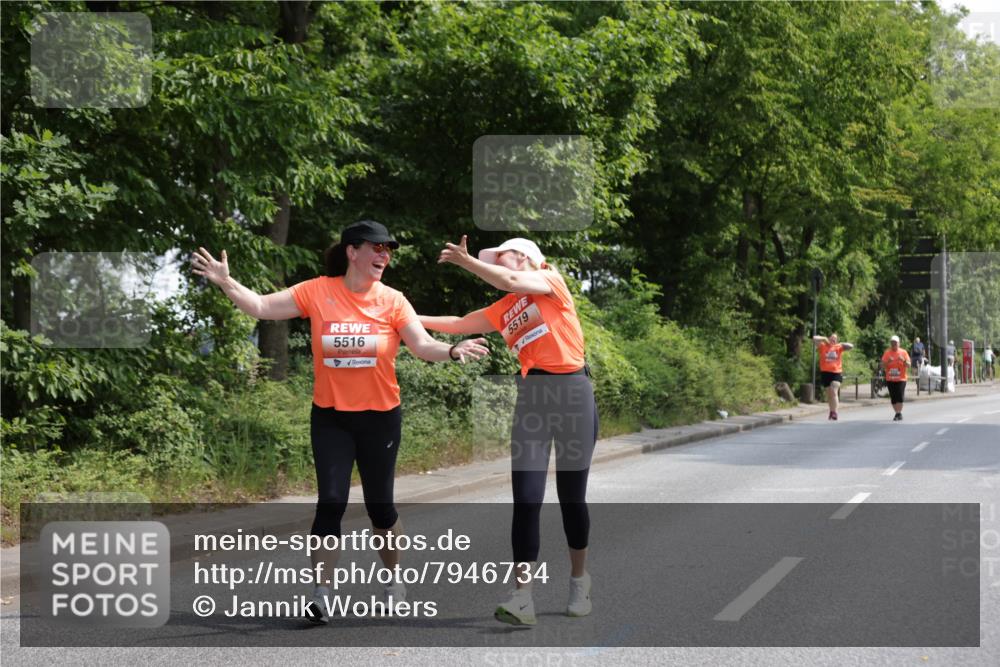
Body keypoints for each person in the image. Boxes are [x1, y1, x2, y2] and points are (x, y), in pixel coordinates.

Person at [191, 220, 489, 625]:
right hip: (331, 418)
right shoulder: (318, 291)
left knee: (379, 508)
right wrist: (227, 283)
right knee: (330, 503)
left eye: (388, 250)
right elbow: (261, 306)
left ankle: (394, 580)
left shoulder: (394, 301)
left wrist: (452, 351)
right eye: (377, 248)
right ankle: (322, 594)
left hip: (381, 418)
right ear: (353, 251)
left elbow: (423, 345)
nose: (384, 256)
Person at [420, 236, 597, 626]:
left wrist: (466, 261)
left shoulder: (551, 281)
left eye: (505, 257)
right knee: (527, 499)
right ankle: (522, 597)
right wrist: (406, 318)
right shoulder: (506, 307)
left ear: (530, 259)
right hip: (533, 396)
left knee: (572, 499)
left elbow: (511, 282)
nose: (500, 264)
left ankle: (579, 581)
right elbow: (460, 323)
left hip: (573, 393)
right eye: (496, 259)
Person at [812, 333, 854, 420]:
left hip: (836, 373)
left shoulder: (838, 347)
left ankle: (835, 412)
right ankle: (831, 411)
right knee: (829, 394)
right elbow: (814, 338)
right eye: (831, 338)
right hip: (825, 372)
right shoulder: (822, 346)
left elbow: (851, 346)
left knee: (834, 391)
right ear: (828, 338)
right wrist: (824, 338)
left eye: (835, 339)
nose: (833, 340)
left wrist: (841, 344)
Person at [880, 335, 911, 421]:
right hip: (890, 378)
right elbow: (882, 366)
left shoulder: (903, 352)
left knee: (899, 396)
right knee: (893, 397)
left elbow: (909, 365)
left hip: (901, 378)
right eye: (892, 343)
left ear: (899, 343)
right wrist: (887, 362)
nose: (893, 344)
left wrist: (903, 361)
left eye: (895, 343)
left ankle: (898, 413)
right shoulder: (887, 353)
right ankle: (897, 413)